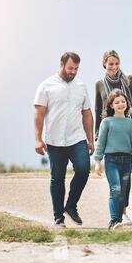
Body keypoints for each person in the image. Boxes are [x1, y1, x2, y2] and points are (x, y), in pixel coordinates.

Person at [34, 52, 94, 228]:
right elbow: (38, 113)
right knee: (57, 178)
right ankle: (58, 217)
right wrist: (37, 139)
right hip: (54, 141)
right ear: (61, 64)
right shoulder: (46, 86)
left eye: (76, 69)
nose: (73, 72)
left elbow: (87, 114)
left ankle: (71, 205)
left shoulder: (81, 86)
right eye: (70, 68)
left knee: (83, 170)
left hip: (77, 138)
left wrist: (90, 140)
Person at [95, 50, 132, 225]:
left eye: (117, 64)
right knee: (115, 187)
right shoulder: (99, 84)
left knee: (126, 182)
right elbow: (99, 110)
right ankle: (117, 217)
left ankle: (123, 211)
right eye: (110, 64)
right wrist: (97, 137)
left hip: (129, 131)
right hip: (110, 132)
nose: (114, 67)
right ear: (104, 65)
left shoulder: (128, 80)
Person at [94, 89, 132, 230]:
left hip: (126, 161)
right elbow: (100, 144)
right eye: (117, 102)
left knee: (123, 191)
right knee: (115, 189)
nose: (121, 104)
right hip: (111, 160)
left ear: (127, 104)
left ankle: (117, 220)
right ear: (111, 105)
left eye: (123, 101)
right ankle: (114, 220)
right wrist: (97, 162)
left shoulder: (131, 123)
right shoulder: (106, 122)